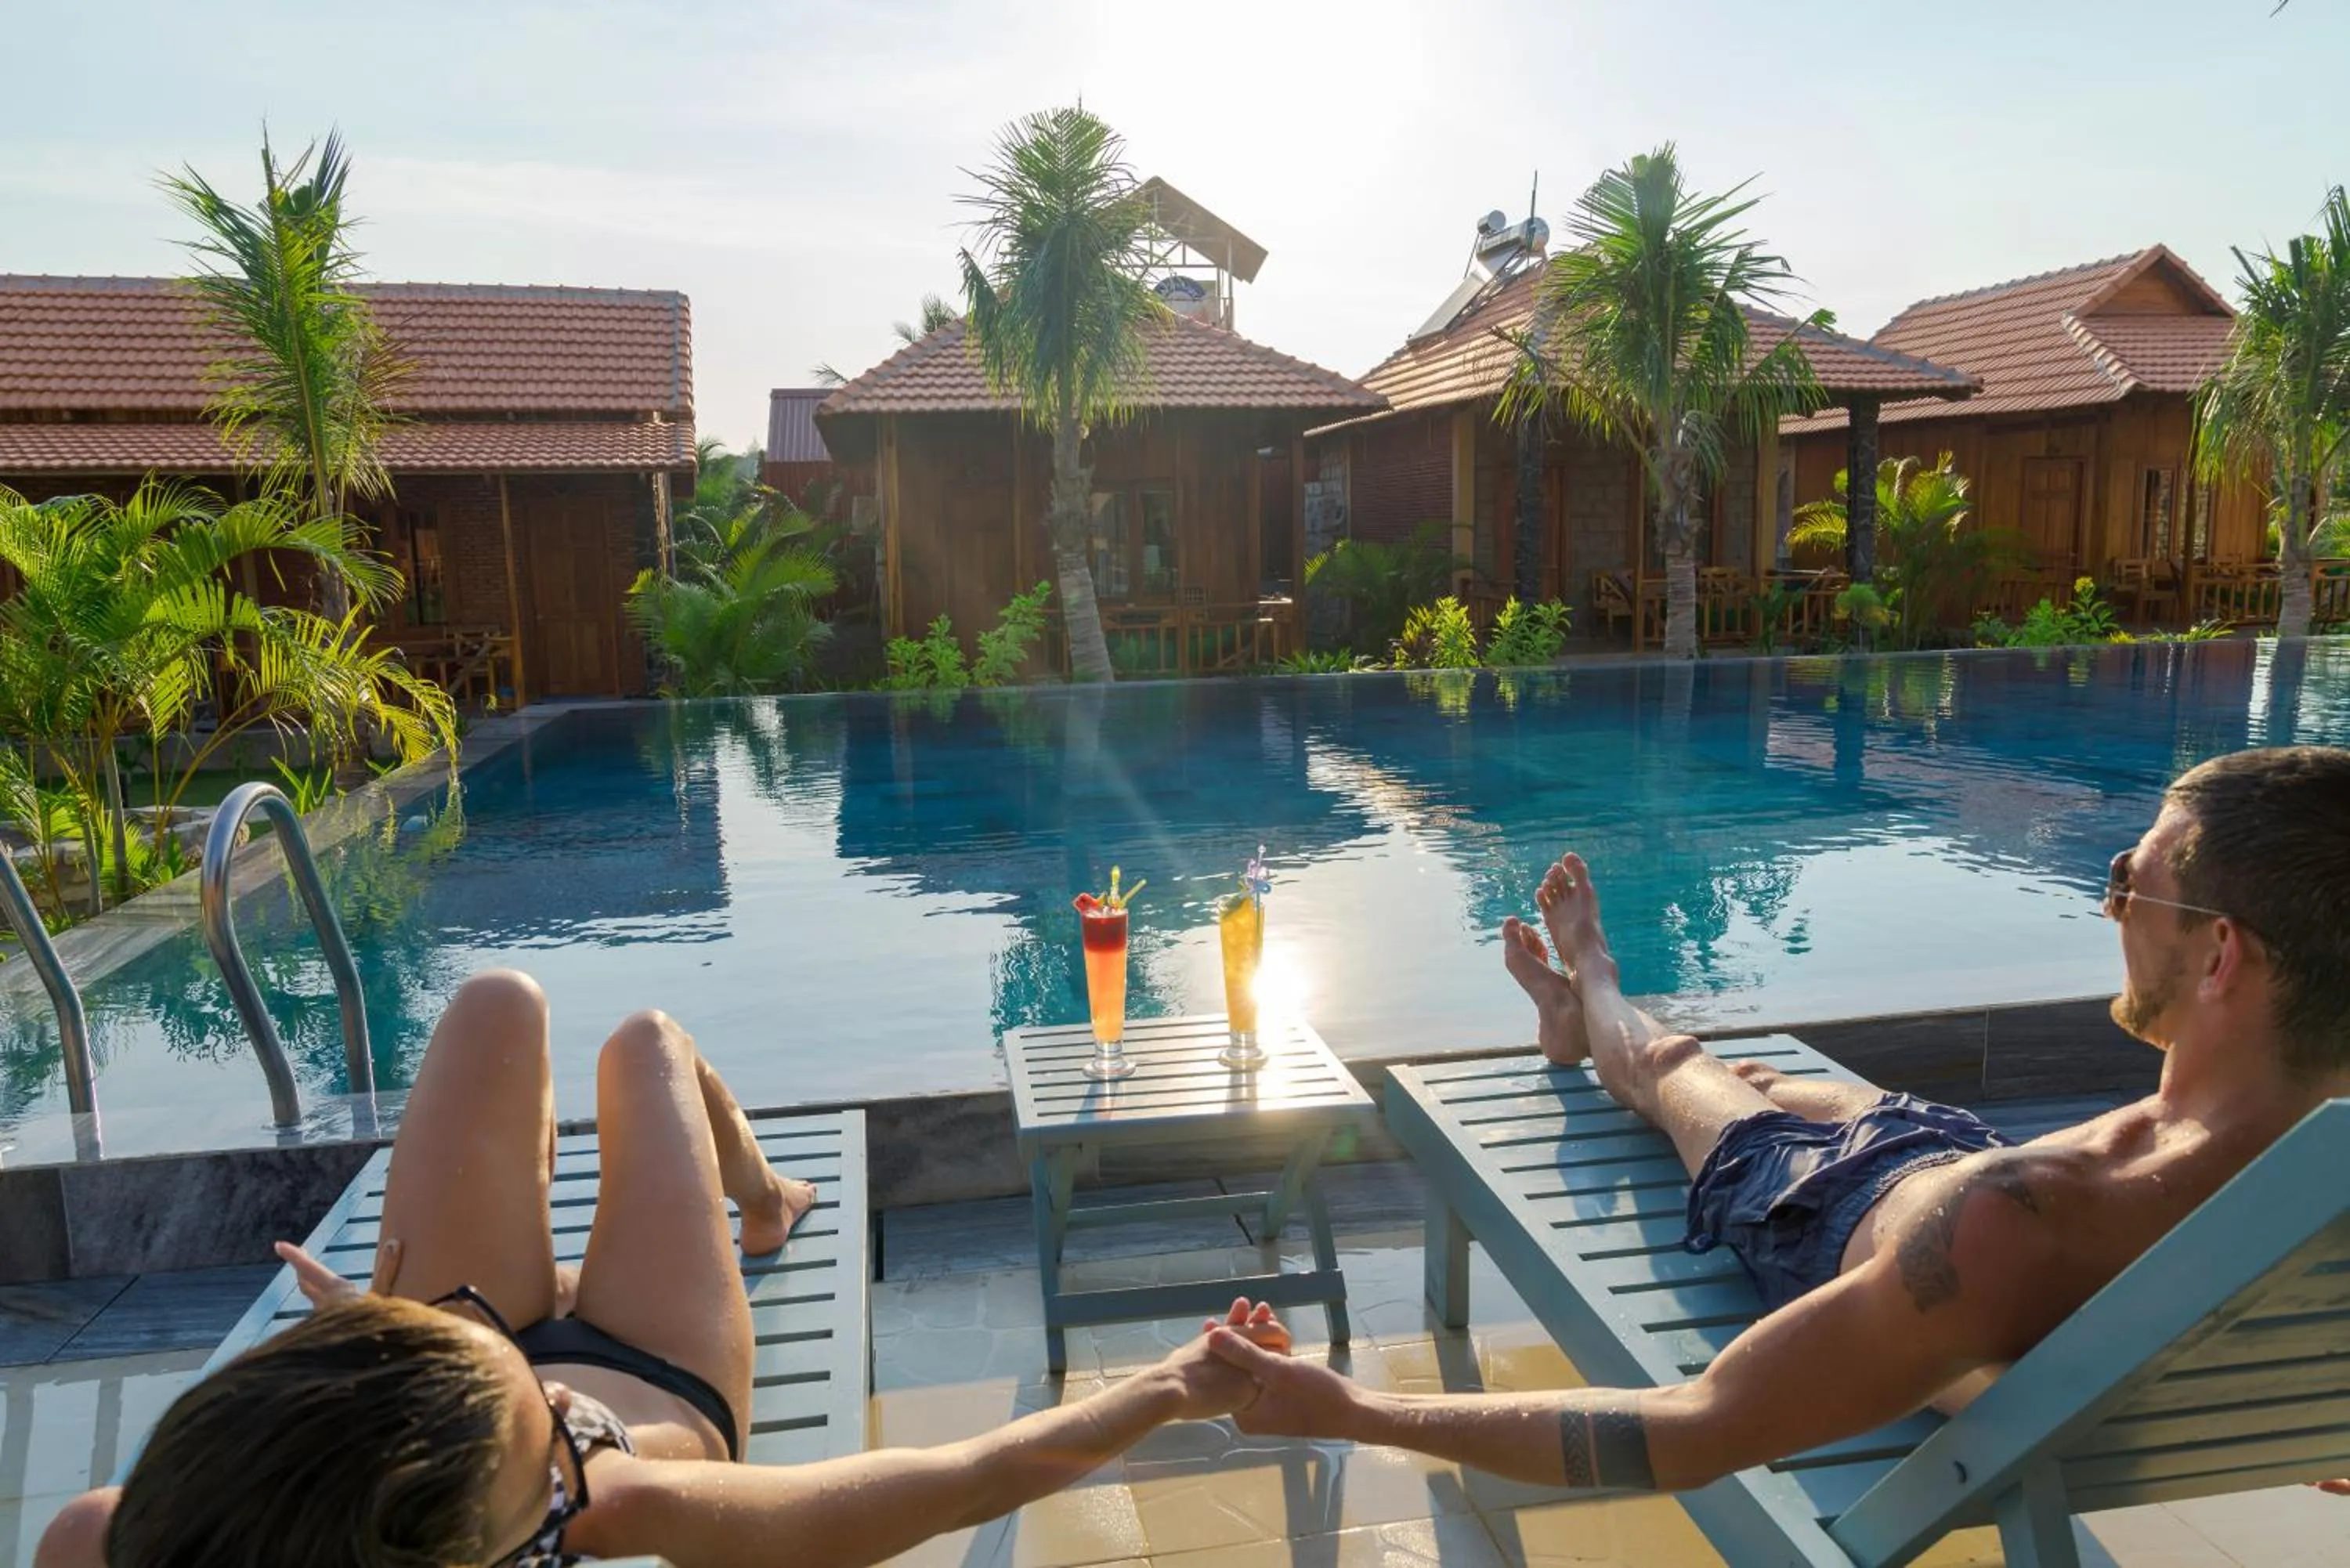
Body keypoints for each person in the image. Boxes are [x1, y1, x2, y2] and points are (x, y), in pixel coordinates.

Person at [1199, 746, 2350, 1499]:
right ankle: (1578, 1021)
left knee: (1671, 1064)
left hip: (1824, 1200)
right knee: (1762, 1070)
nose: (2112, 908)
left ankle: (1589, 981)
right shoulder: (2302, 1190)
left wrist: (1354, 1405)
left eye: (2126, 880)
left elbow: (1694, 1425)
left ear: (2219, 953)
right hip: (1949, 1159)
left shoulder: (2031, 1227)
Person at [38, 971, 1289, 1568]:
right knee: (649, 1041)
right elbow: (946, 1478)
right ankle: (770, 1197)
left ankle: (458, 1283)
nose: (556, 1407)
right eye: (551, 1436)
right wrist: (1171, 1385)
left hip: (411, 1397)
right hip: (656, 1368)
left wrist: (374, 1343)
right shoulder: (612, 1491)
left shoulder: (111, 1537)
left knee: (496, 1008)